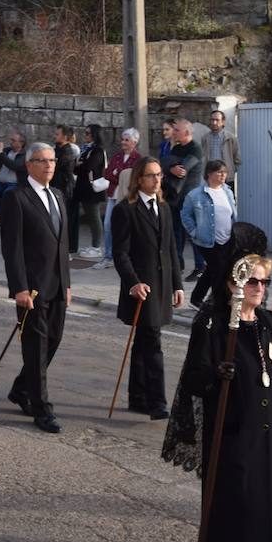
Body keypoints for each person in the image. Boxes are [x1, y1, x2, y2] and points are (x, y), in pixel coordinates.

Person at [179, 255, 272, 542]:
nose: (260, 289)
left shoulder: (268, 325)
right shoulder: (214, 325)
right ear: (234, 285)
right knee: (241, 507)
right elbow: (193, 380)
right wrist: (215, 372)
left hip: (265, 433)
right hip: (230, 433)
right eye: (253, 282)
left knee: (262, 507)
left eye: (264, 283)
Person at [1, 142, 72, 434]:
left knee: (52, 341)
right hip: (31, 288)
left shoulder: (57, 195)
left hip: (57, 285)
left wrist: (67, 283)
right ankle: (41, 409)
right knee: (36, 348)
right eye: (42, 161)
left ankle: (20, 389)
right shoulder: (16, 198)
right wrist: (19, 287)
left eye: (52, 160)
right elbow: (12, 248)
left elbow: (62, 244)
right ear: (29, 165)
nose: (49, 165)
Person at [112, 157, 184, 417]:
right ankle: (158, 402)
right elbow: (120, 253)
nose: (157, 180)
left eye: (159, 175)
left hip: (162, 286)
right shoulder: (125, 210)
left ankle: (138, 397)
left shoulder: (164, 208)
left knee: (144, 341)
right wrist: (133, 282)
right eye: (151, 175)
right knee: (153, 342)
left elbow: (171, 249)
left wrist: (178, 284)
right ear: (139, 180)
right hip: (141, 287)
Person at [181, 159, 237, 308]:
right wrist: (194, 232)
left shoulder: (227, 191)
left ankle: (196, 299)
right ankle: (218, 301)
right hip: (207, 240)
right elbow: (185, 215)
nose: (223, 175)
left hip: (227, 239)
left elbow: (232, 213)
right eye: (219, 172)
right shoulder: (196, 195)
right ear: (209, 174)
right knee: (218, 270)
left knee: (213, 270)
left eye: (224, 172)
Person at [163, 118, 204, 277]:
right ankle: (177, 264)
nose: (174, 132)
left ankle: (200, 267)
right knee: (175, 232)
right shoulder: (177, 148)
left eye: (177, 130)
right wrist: (170, 166)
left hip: (189, 197)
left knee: (192, 233)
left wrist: (171, 166)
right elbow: (165, 163)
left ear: (186, 132)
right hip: (175, 196)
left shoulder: (196, 148)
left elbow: (183, 169)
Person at [97, 128, 141, 269]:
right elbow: (108, 174)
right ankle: (108, 256)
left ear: (134, 142)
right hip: (113, 195)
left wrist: (118, 174)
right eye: (122, 139)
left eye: (127, 140)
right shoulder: (117, 156)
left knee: (126, 227)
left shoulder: (138, 159)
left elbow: (132, 178)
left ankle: (126, 255)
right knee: (108, 225)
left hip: (127, 197)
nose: (123, 142)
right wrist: (119, 175)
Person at [72, 124, 107, 259]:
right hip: (83, 187)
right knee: (89, 215)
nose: (85, 135)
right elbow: (77, 167)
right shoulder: (86, 149)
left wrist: (80, 165)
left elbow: (88, 167)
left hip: (92, 189)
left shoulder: (97, 150)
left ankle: (96, 246)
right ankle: (94, 245)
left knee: (94, 217)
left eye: (87, 133)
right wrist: (79, 165)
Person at [0, 132, 27, 216]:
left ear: (21, 143)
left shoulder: (24, 155)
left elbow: (14, 165)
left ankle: (5, 215)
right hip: (1, 182)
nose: (11, 142)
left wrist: (0, 154)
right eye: (11, 140)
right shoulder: (6, 151)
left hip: (14, 184)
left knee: (7, 195)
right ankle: (0, 213)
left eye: (13, 140)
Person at [204, 110, 241, 183]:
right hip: (210, 176)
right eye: (212, 120)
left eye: (217, 120)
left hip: (226, 177)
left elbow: (237, 158)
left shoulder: (230, 138)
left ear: (223, 122)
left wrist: (230, 170)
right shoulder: (205, 138)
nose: (214, 123)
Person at [52, 125, 78, 210]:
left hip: (63, 187)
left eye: (57, 134)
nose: (55, 136)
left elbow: (58, 165)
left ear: (65, 137)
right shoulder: (57, 149)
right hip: (56, 184)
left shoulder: (67, 151)